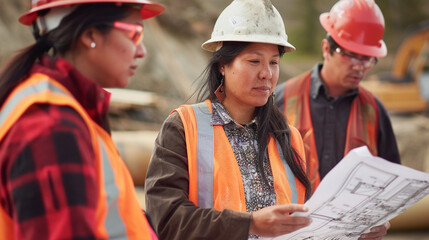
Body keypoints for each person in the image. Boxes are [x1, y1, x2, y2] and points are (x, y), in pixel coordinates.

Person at [144, 0, 314, 239]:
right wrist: (249, 224)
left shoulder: (289, 137)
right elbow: (165, 218)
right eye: (254, 61)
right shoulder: (183, 127)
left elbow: (306, 220)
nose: (267, 73)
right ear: (223, 64)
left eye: (274, 62)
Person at [0, 0, 164, 239]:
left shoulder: (72, 112)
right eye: (135, 33)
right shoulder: (50, 125)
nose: (141, 51)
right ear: (89, 35)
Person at [274, 0, 400, 239]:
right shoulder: (281, 101)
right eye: (351, 55)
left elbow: (392, 184)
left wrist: (383, 220)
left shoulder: (375, 111)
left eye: (368, 58)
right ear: (326, 48)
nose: (359, 67)